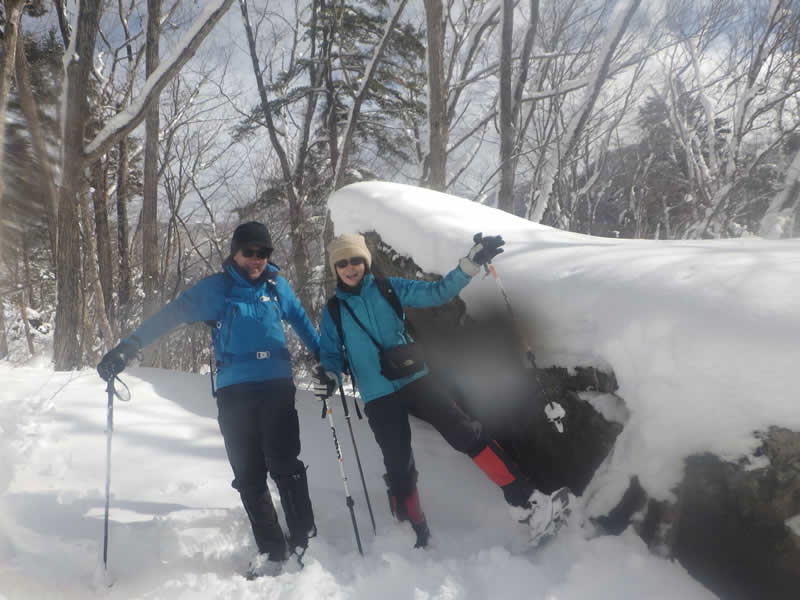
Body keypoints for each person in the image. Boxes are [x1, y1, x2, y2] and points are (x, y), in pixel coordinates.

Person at [312, 232, 571, 549]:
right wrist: (328, 376)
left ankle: (527, 502)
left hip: (415, 379)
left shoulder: (389, 288)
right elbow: (331, 357)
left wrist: (470, 264)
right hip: (378, 395)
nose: (350, 267)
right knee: (398, 462)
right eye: (342, 263)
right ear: (335, 268)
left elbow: (437, 293)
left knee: (465, 432)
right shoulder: (334, 311)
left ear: (364, 261)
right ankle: (412, 529)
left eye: (355, 260)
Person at [97, 221, 319, 577]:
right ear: (235, 252)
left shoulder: (278, 287)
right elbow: (170, 315)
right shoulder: (215, 290)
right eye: (249, 252)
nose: (256, 259)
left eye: (263, 253)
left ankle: (306, 538)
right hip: (234, 392)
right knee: (248, 473)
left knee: (284, 462)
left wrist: (325, 359)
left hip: (277, 386)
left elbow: (302, 321)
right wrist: (129, 347)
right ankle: (272, 549)